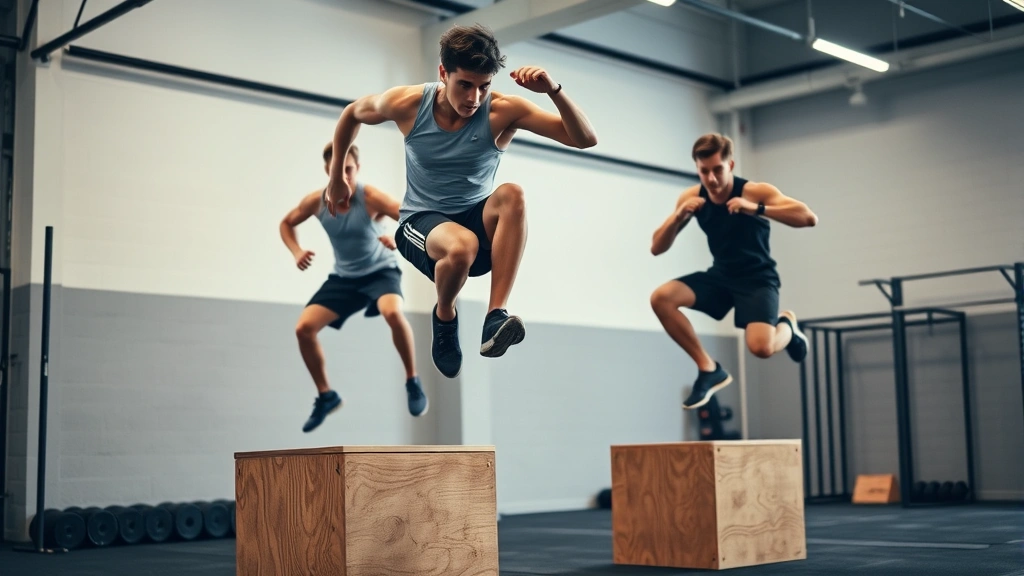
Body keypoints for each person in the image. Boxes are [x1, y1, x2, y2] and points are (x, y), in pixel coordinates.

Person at [323, 24, 598, 379]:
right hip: (420, 225)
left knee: (513, 194)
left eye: (484, 86)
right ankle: (445, 316)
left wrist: (554, 92)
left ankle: (495, 315)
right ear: (443, 73)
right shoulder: (407, 104)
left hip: (477, 223)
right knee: (461, 246)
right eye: (464, 85)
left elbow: (585, 139)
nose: (474, 98)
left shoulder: (503, 110)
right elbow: (351, 114)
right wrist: (337, 180)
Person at [649, 133, 818, 410]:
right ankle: (709, 368)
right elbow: (657, 247)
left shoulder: (754, 192)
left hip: (757, 279)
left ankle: (786, 325)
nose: (712, 179)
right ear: (697, 169)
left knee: (761, 349)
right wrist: (678, 217)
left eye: (717, 169)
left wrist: (756, 209)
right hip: (721, 276)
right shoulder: (692, 197)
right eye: (704, 172)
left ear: (730, 165)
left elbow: (808, 217)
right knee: (662, 298)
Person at [280, 142, 427, 432]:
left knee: (393, 313)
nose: (343, 177)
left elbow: (414, 220)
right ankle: (326, 396)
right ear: (327, 171)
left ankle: (412, 380)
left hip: (380, 271)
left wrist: (398, 240)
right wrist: (296, 251)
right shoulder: (315, 202)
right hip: (344, 278)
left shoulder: (370, 197)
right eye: (337, 171)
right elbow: (286, 223)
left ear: (357, 169)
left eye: (348, 170)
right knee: (304, 329)